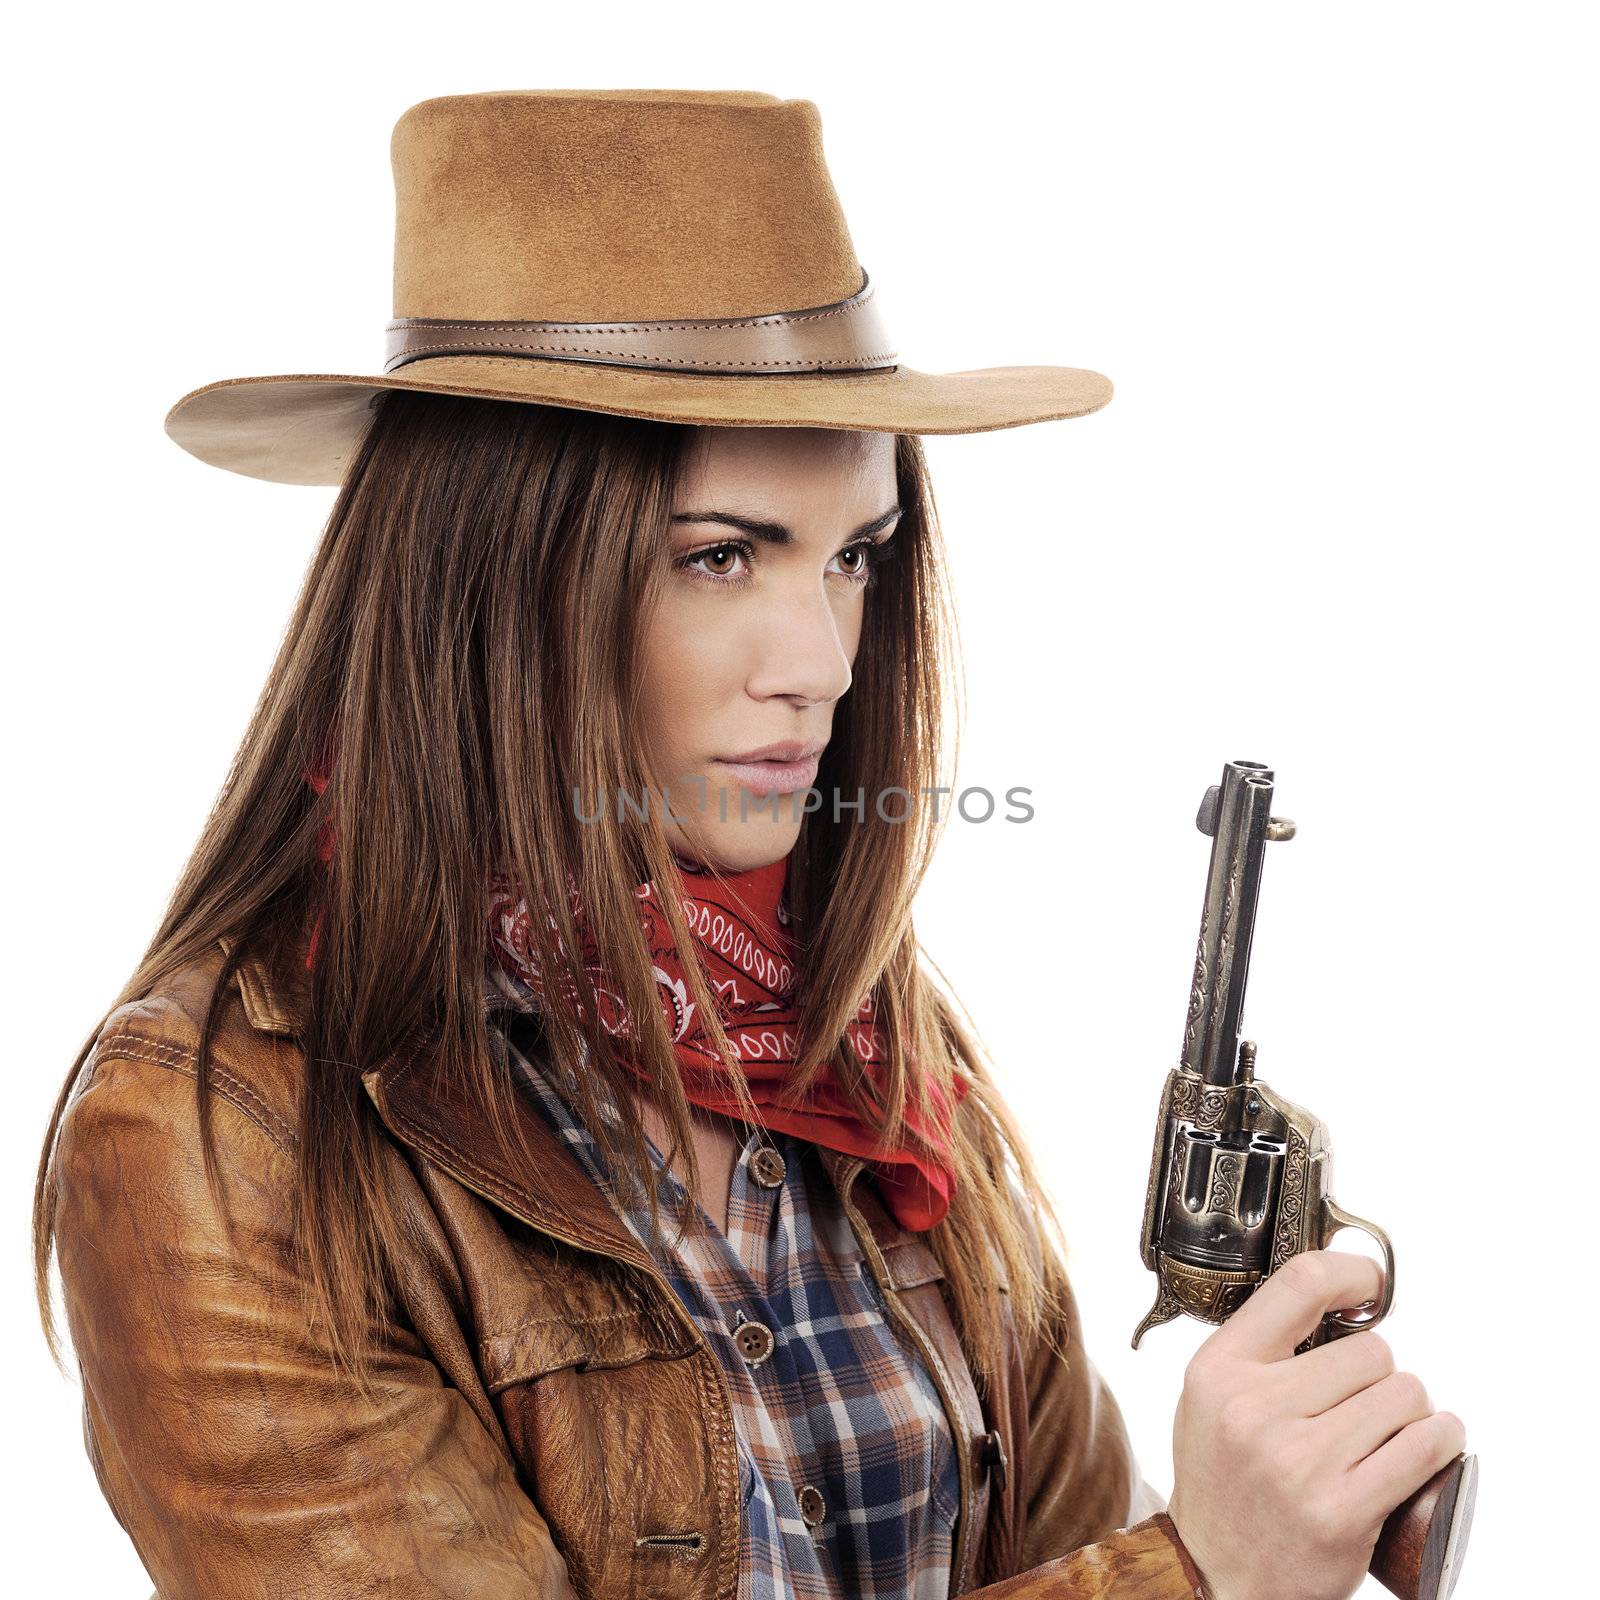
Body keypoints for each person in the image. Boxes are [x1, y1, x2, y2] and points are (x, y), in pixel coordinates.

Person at [31, 90, 1464, 1600]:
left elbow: (1064, 1543)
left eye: (854, 555)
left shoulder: (861, 1048)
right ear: (486, 582)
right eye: (719, 556)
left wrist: (1272, 1500)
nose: (823, 661)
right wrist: (1200, 1574)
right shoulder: (218, 1131)